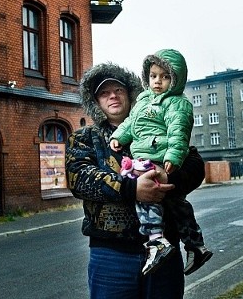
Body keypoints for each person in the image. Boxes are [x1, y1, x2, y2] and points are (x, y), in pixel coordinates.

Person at [66, 62, 206, 299]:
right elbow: (79, 178)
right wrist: (133, 189)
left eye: (118, 90)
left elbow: (194, 165)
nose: (112, 96)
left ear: (130, 92)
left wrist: (168, 176)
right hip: (111, 254)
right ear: (96, 101)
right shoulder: (85, 138)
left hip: (166, 251)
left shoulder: (159, 126)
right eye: (104, 93)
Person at [109, 49, 212, 276]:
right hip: (144, 154)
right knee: (173, 200)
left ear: (175, 79)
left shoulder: (177, 104)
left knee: (151, 193)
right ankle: (195, 244)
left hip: (158, 154)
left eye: (165, 77)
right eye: (154, 75)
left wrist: (172, 158)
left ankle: (156, 240)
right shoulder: (143, 101)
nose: (157, 81)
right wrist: (118, 136)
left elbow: (179, 133)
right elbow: (131, 124)